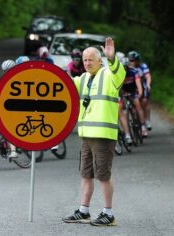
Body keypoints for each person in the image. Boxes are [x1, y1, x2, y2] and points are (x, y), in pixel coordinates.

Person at [62, 38, 125, 226]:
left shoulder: (109, 75)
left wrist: (112, 58)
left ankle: (108, 213)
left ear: (100, 60)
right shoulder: (83, 79)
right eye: (85, 60)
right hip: (86, 135)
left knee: (103, 175)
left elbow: (119, 73)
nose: (87, 63)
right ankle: (84, 211)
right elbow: (63, 85)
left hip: (103, 136)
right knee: (86, 174)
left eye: (91, 59)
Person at [118, 56, 147, 143]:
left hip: (134, 91)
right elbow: (118, 87)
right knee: (123, 109)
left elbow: (138, 84)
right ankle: (127, 133)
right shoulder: (119, 74)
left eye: (125, 67)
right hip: (124, 93)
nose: (124, 69)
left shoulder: (134, 71)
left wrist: (140, 93)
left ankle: (142, 126)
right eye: (122, 68)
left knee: (137, 104)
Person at [128, 51, 152, 131]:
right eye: (131, 60)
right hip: (132, 87)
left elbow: (148, 76)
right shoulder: (128, 67)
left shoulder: (143, 66)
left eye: (134, 60)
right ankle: (137, 120)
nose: (132, 62)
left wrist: (148, 84)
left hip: (142, 85)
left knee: (145, 101)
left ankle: (147, 120)